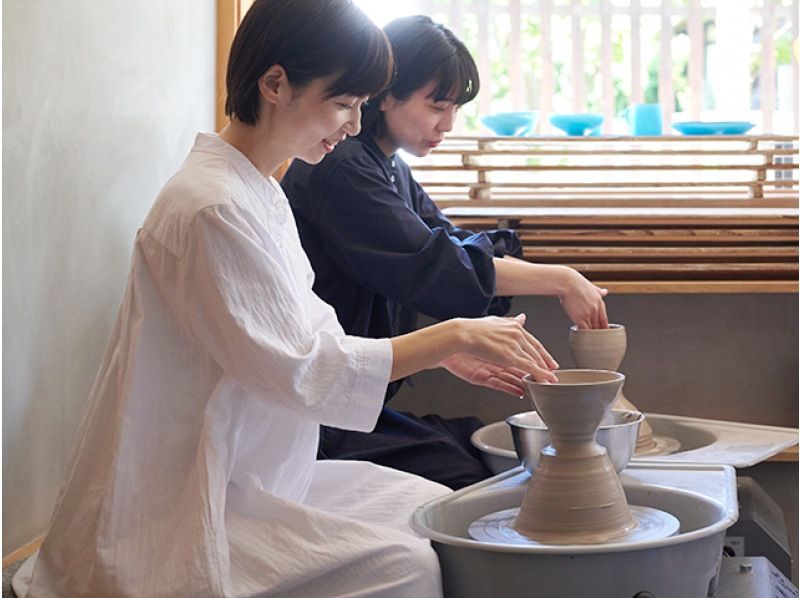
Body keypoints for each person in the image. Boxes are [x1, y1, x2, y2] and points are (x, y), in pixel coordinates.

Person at [13, 2, 559, 597]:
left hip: (263, 472)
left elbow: (313, 331)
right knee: (407, 565)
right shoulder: (213, 207)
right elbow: (301, 369)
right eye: (344, 104)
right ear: (275, 84)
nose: (353, 126)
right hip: (196, 489)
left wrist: (437, 353)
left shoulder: (257, 192)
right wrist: (447, 336)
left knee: (436, 508)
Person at [281, 15, 609, 490]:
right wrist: (560, 280)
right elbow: (433, 266)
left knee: (479, 444)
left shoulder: (385, 164)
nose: (448, 124)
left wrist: (447, 350)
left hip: (352, 402)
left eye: (455, 108)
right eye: (438, 105)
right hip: (317, 417)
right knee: (468, 471)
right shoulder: (342, 168)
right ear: (386, 93)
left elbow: (447, 240)